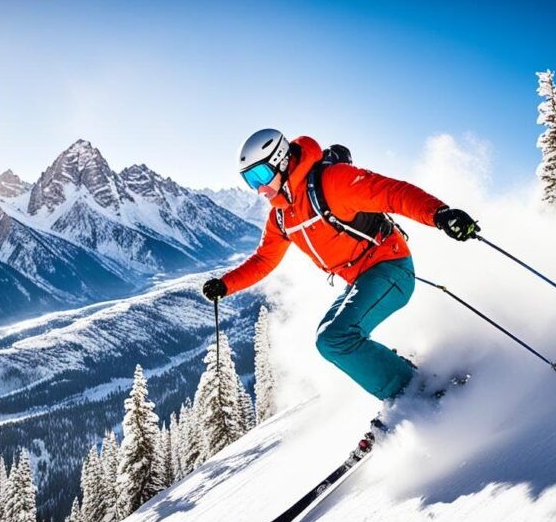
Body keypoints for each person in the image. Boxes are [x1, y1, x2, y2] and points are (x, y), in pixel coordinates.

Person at [202, 129, 478, 402]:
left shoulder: (331, 181)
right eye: (250, 180)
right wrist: (226, 285)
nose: (259, 188)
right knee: (329, 338)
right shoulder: (281, 216)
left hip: (390, 266)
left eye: (261, 175)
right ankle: (405, 379)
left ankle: (412, 394)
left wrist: (439, 214)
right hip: (363, 278)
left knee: (336, 338)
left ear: (282, 160)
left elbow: (391, 193)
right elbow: (264, 259)